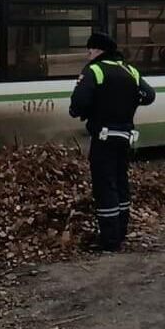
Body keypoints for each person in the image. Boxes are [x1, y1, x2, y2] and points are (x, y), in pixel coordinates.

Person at [69, 32, 156, 251]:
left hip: (104, 137)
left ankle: (109, 240)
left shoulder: (94, 70)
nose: (87, 54)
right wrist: (127, 100)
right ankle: (121, 231)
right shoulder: (130, 70)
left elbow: (79, 103)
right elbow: (149, 95)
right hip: (125, 136)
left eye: (90, 50)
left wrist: (89, 108)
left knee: (104, 185)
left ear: (98, 50)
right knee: (120, 181)